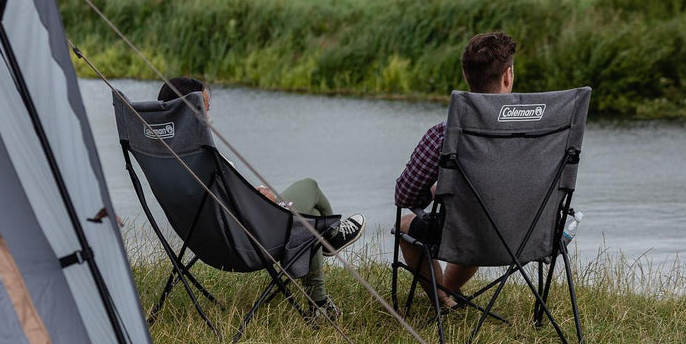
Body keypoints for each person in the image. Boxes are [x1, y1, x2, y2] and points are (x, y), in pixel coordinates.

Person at [158, 77, 366, 321]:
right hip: (248, 241)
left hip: (204, 243)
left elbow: (222, 199)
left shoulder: (163, 156)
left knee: (311, 219)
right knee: (309, 191)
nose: (209, 117)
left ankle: (321, 297)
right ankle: (331, 239)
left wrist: (252, 195)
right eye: (204, 109)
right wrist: (262, 199)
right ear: (187, 111)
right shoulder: (202, 154)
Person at [394, 32, 516, 309]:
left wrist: (445, 191)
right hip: (531, 237)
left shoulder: (445, 133)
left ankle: (441, 298)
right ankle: (447, 295)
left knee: (408, 227)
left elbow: (404, 197)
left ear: (466, 76)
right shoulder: (542, 130)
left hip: (470, 233)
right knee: (473, 212)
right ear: (507, 75)